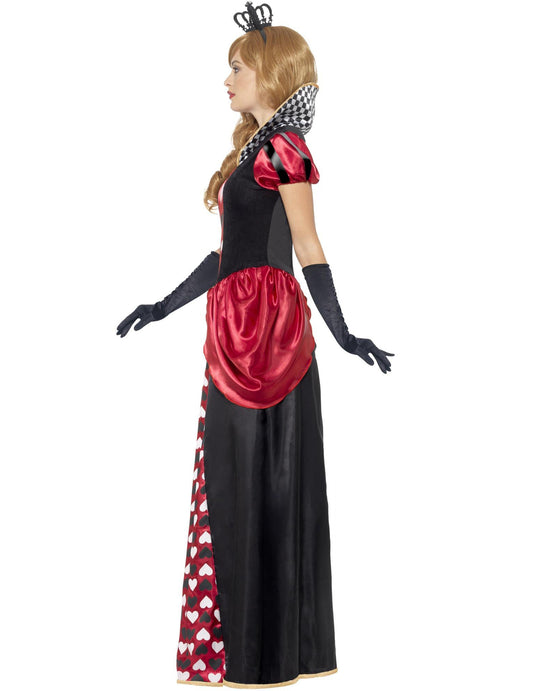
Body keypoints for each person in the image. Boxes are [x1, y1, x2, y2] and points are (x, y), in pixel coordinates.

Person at [116, 2, 394, 687]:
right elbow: (227, 257)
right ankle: (241, 653)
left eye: (236, 67)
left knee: (268, 482)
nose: (226, 79)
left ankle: (268, 658)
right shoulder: (251, 150)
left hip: (270, 336)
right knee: (232, 479)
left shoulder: (286, 149)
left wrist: (343, 333)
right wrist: (161, 306)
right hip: (233, 330)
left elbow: (307, 245)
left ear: (269, 74)